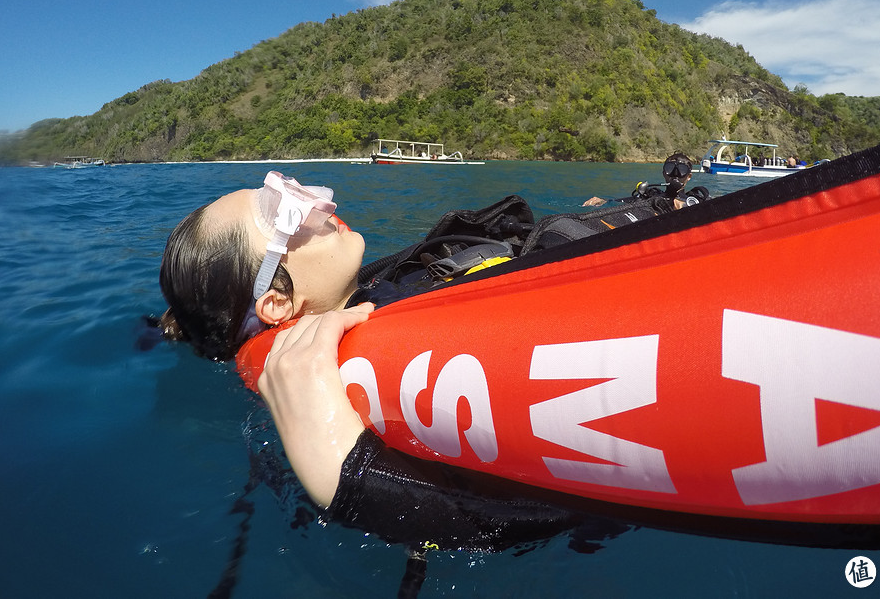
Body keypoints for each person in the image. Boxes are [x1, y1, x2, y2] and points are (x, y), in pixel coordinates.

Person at [159, 172, 628, 553]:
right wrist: (341, 476)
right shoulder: (350, 379)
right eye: (284, 212)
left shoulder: (377, 285)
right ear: (277, 302)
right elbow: (510, 515)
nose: (320, 206)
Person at [582, 152, 708, 209]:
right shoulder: (651, 196)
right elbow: (623, 203)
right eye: (670, 169)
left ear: (689, 176)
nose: (675, 175)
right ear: (664, 173)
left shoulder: (696, 201)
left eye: (681, 170)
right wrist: (604, 201)